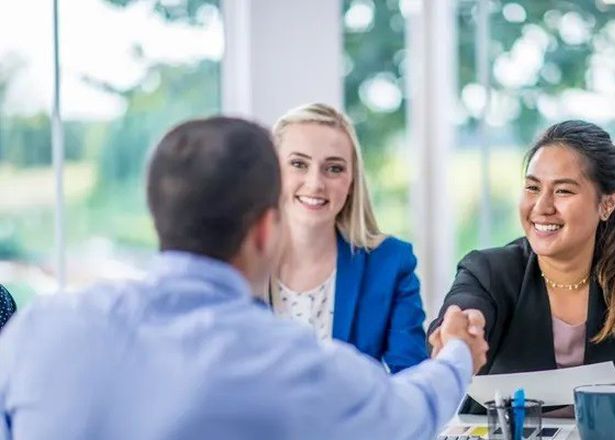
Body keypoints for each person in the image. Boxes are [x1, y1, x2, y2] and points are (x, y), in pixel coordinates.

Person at [0, 117, 488, 440]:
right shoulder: (288, 361)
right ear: (264, 228)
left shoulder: (37, 331)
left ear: (157, 215)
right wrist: (458, 353)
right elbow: (409, 414)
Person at [428, 120, 615, 435]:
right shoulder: (488, 270)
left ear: (608, 203)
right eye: (532, 187)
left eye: (564, 191)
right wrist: (461, 328)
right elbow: (463, 310)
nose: (541, 207)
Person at [268, 103, 426, 372]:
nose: (315, 183)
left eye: (334, 168)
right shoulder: (234, 261)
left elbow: (411, 379)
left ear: (352, 181)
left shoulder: (390, 263)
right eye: (298, 164)